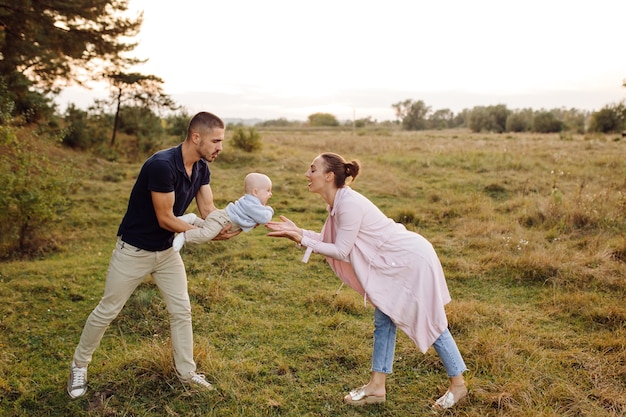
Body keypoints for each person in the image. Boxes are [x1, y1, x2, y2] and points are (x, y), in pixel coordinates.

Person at [265, 152, 468, 410]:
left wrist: (303, 240)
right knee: (384, 319)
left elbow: (341, 250)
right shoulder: (338, 203)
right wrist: (300, 232)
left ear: (329, 176)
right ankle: (376, 386)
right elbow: (337, 243)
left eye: (312, 169)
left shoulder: (348, 204)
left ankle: (458, 384)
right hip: (393, 263)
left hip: (409, 262)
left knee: (429, 319)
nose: (308, 174)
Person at [67, 111, 241, 399]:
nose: (220, 147)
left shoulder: (200, 167)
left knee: (181, 311)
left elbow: (208, 211)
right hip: (133, 251)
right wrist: (201, 233)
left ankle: (186, 373)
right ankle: (79, 366)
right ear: (196, 137)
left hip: (167, 251)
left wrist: (234, 222)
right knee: (108, 310)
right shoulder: (162, 165)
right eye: (216, 141)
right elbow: (165, 218)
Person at [173, 173, 273, 252]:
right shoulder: (252, 204)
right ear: (255, 192)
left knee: (206, 227)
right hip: (222, 220)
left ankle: (193, 219)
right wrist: (269, 209)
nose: (270, 194)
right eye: (268, 191)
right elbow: (264, 218)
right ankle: (185, 236)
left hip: (220, 218)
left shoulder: (250, 201)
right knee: (206, 234)